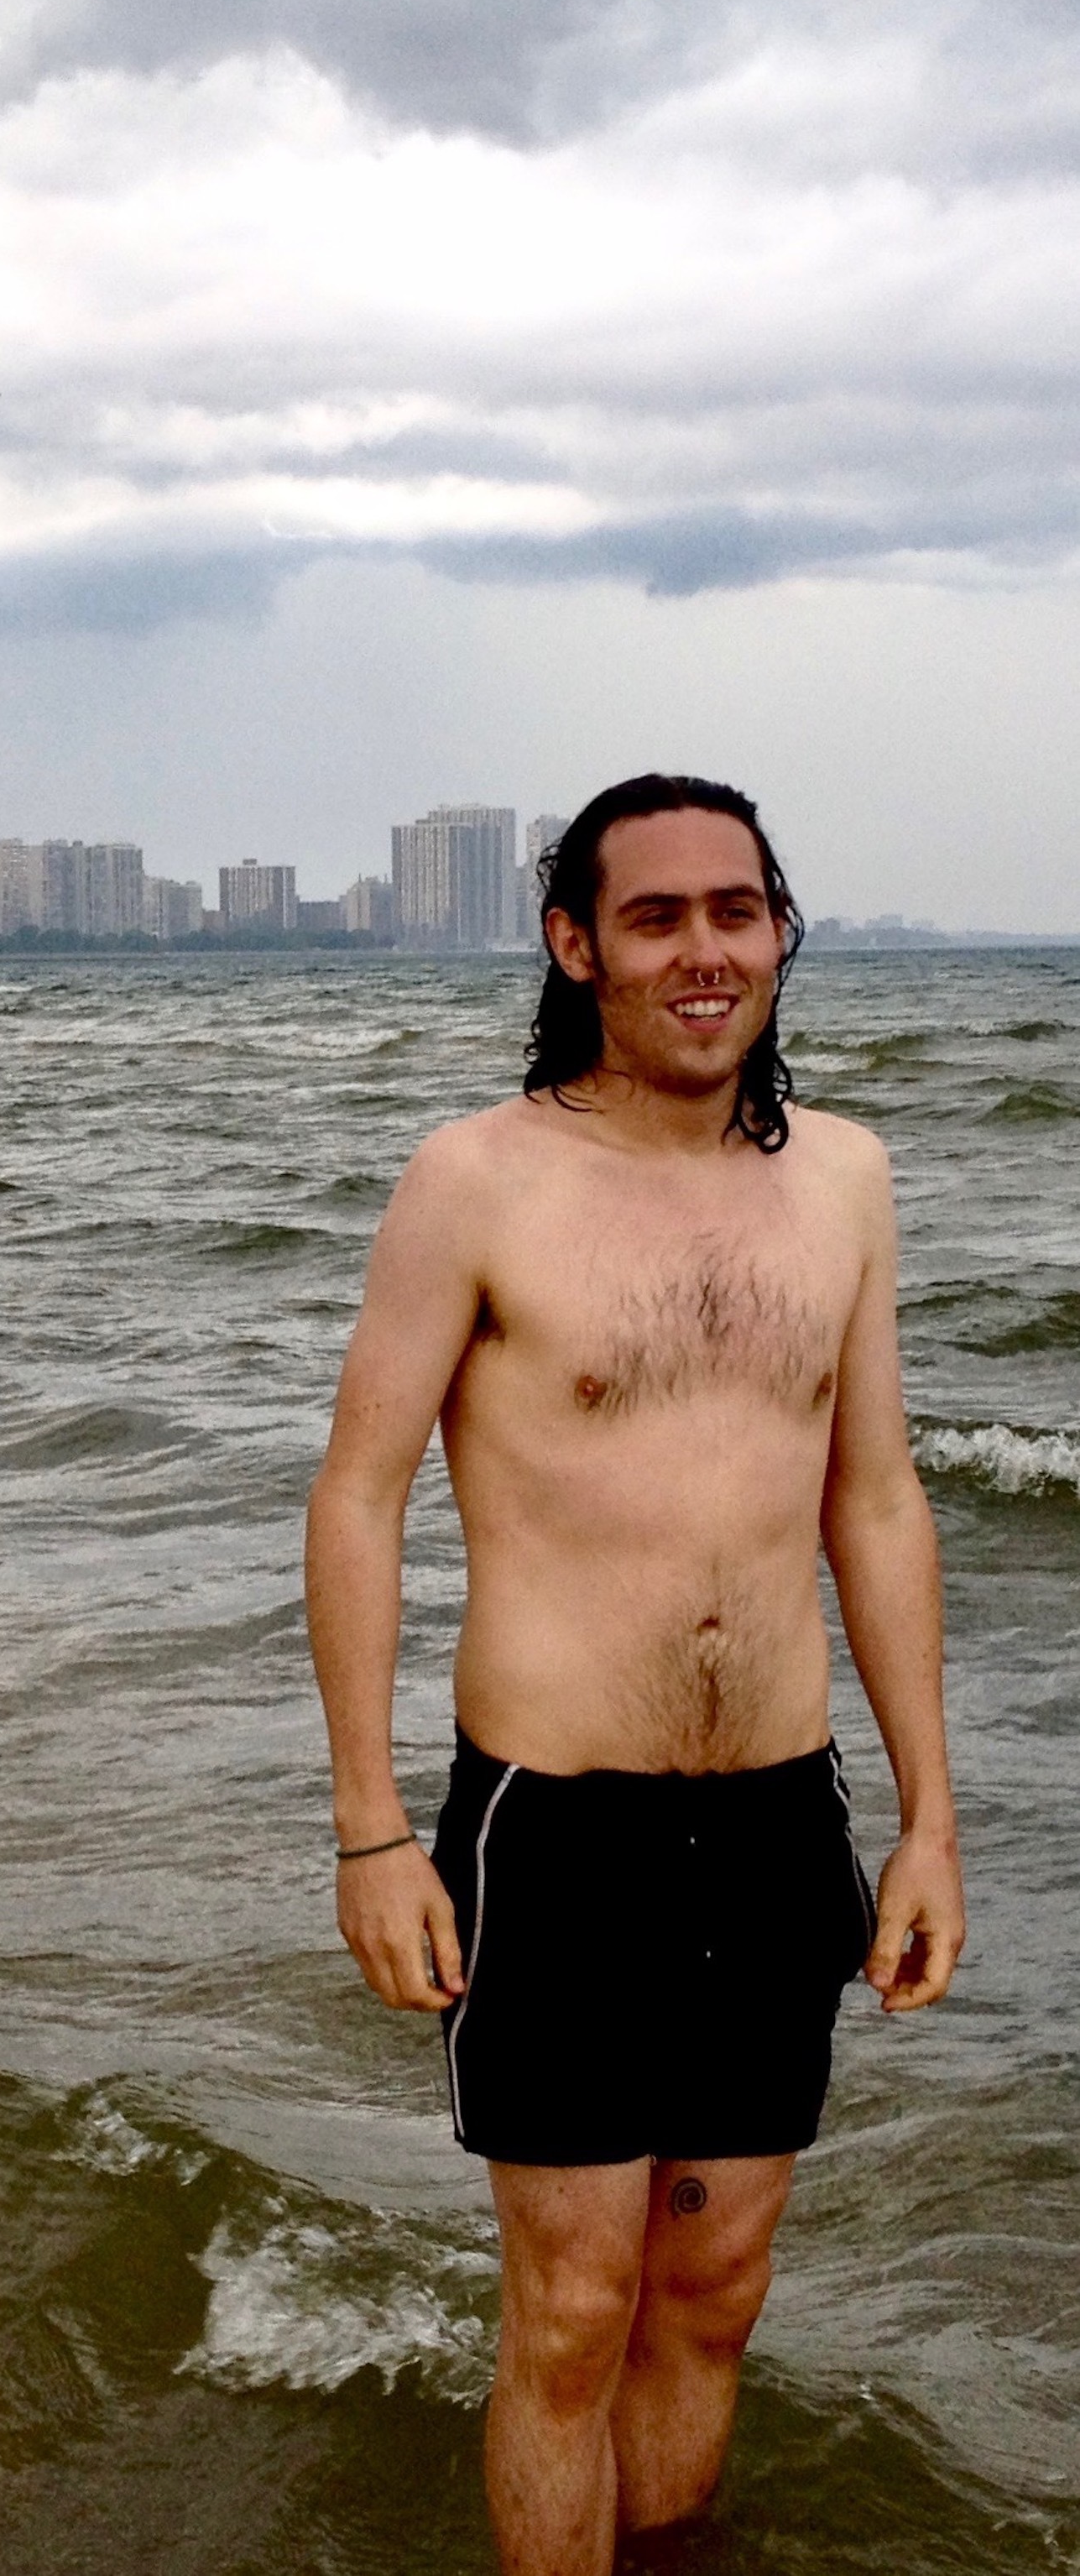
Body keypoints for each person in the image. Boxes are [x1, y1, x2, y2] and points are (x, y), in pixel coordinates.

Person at [305, 774, 963, 2576]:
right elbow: (356, 1495)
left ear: (778, 932)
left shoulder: (842, 1180)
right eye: (654, 915)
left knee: (716, 2288)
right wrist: (371, 1830)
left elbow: (876, 1499)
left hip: (776, 1817)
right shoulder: (476, 1181)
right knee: (576, 2306)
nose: (702, 950)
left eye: (735, 910)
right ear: (575, 944)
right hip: (556, 1825)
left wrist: (926, 1821)